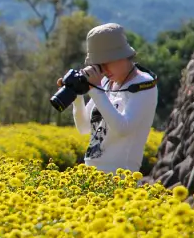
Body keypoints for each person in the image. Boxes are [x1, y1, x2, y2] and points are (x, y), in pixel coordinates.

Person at [58, 23, 158, 174]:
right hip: (91, 174)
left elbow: (123, 129)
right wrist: (77, 95)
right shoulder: (105, 82)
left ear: (122, 56)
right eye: (98, 64)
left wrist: (95, 90)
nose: (103, 70)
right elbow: (84, 128)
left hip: (120, 177)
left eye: (106, 62)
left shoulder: (143, 84)